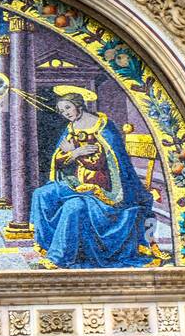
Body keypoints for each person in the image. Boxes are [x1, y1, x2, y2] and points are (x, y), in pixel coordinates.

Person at [30, 86, 154, 268]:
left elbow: (100, 164)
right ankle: (48, 244)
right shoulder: (71, 128)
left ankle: (59, 257)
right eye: (62, 110)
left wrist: (74, 153)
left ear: (79, 105)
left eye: (68, 108)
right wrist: (75, 153)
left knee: (73, 207)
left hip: (104, 189)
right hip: (77, 182)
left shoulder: (103, 128)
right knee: (41, 194)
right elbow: (59, 159)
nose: (65, 113)